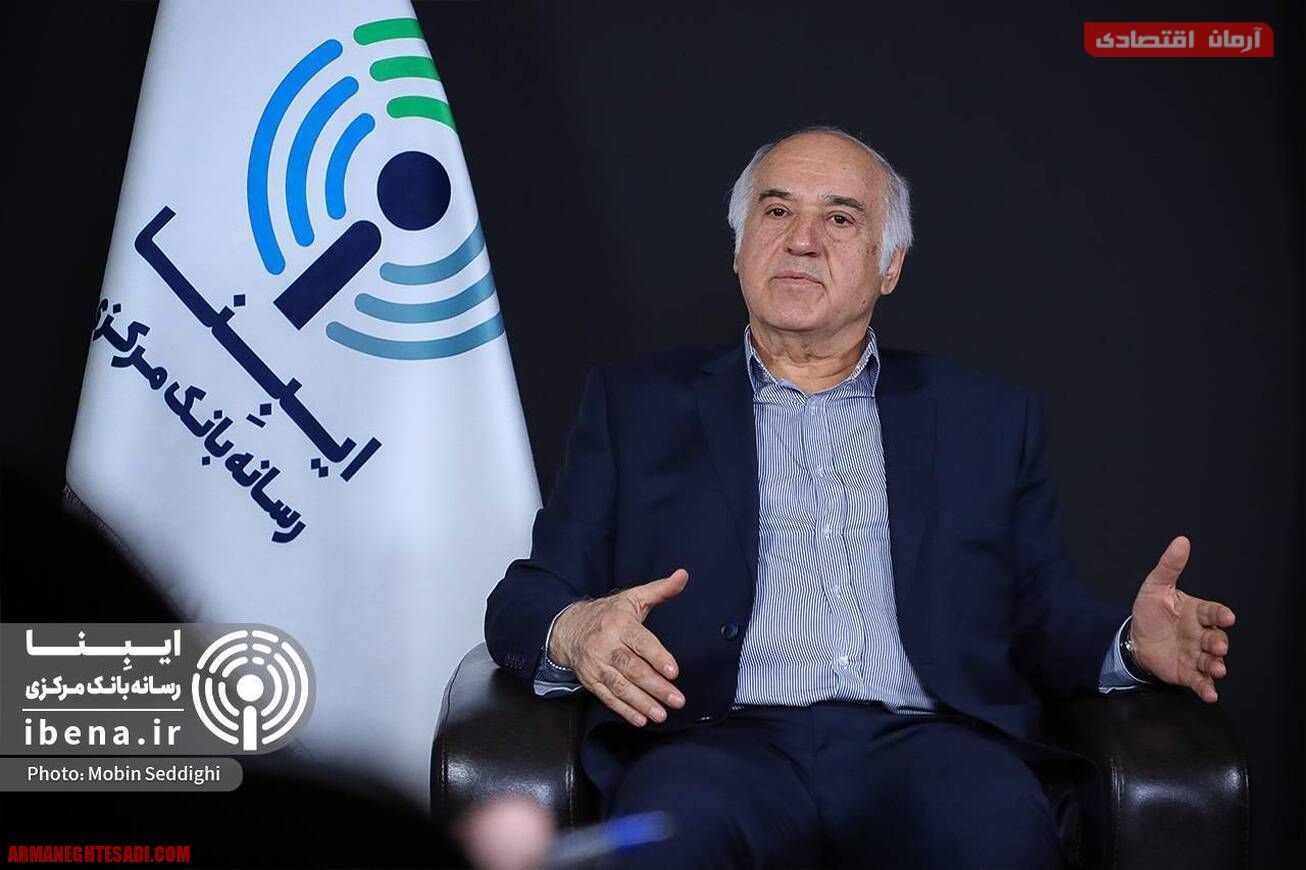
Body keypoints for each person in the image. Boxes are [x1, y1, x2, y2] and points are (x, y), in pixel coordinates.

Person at [484, 126, 1236, 868]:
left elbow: (1042, 611)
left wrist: (1131, 646)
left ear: (890, 265)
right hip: (711, 744)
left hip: (929, 743)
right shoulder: (636, 407)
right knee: (665, 840)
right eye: (777, 211)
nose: (802, 240)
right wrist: (574, 630)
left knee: (999, 828)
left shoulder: (986, 419)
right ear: (740, 247)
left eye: (840, 219)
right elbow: (527, 596)